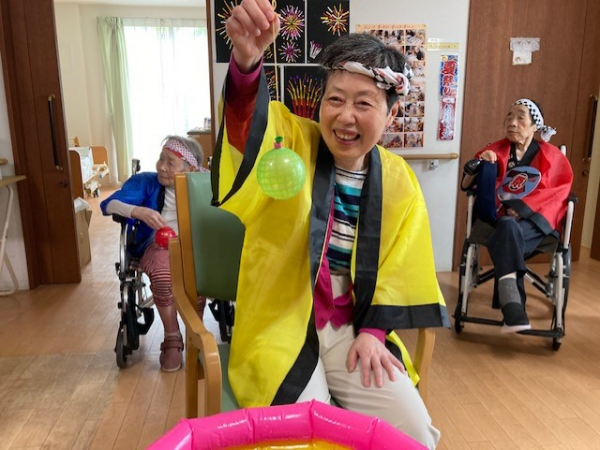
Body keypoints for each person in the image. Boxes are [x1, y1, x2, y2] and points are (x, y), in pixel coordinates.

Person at [209, 1, 449, 448]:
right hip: (281, 317)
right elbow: (246, 130)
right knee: (299, 433)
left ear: (391, 115)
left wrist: (374, 333)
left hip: (354, 324)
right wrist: (246, 63)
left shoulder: (399, 180)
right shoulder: (289, 142)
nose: (345, 116)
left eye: (364, 103)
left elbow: (401, 268)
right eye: (335, 99)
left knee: (413, 431)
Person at [461, 99, 573, 333]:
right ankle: (513, 305)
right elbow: (469, 184)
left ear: (535, 126)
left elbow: (558, 192)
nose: (512, 122)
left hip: (535, 225)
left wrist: (522, 207)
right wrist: (481, 166)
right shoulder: (495, 151)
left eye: (520, 117)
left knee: (510, 227)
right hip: (500, 222)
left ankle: (511, 301)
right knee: (508, 225)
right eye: (509, 117)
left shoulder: (551, 155)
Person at [100, 135, 205, 372]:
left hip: (196, 245)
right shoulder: (146, 182)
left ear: (190, 169)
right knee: (162, 275)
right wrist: (138, 211)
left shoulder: (204, 183)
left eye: (170, 163)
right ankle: (172, 338)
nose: (161, 167)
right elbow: (109, 205)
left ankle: (197, 336)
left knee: (199, 277)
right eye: (161, 159)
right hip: (157, 245)